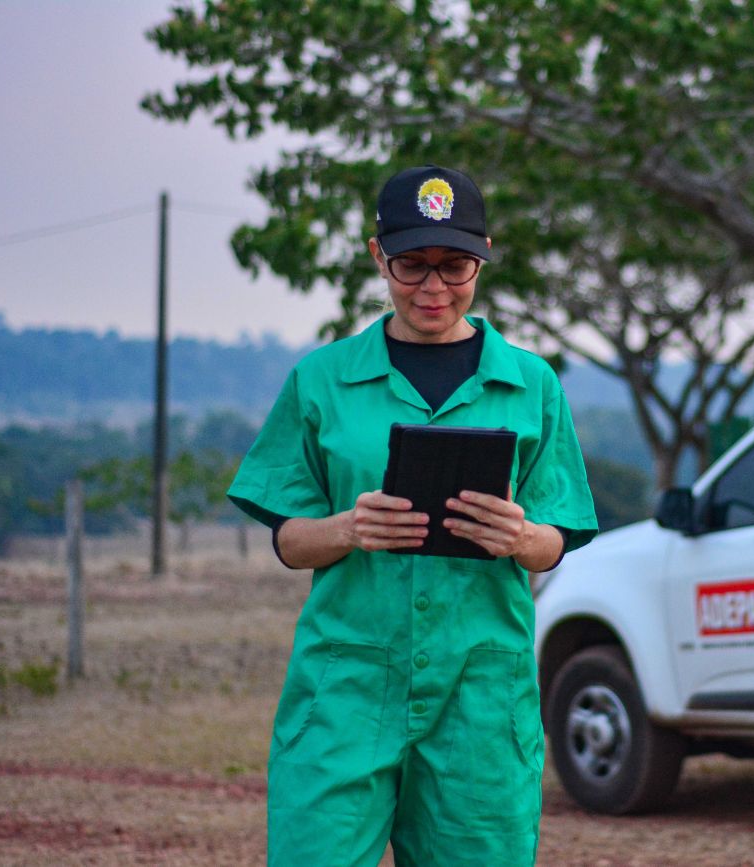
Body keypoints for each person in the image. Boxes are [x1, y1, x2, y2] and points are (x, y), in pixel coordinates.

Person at [227, 165, 598, 866]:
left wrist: (521, 536)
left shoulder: (533, 384)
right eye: (412, 265)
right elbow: (289, 537)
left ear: (483, 254)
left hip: (481, 693)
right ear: (379, 256)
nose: (434, 287)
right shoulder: (322, 379)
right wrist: (347, 528)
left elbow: (557, 537)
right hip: (345, 686)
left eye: (455, 265)